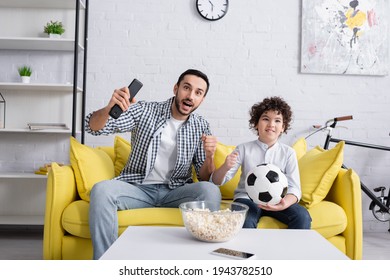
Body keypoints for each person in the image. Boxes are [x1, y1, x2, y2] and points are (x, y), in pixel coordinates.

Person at [85, 69, 221, 259]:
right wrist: (109, 109)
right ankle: (106, 265)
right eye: (186, 88)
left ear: (202, 99)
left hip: (176, 192)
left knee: (210, 191)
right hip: (138, 189)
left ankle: (201, 262)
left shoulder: (201, 125)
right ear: (176, 88)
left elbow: (205, 176)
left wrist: (209, 156)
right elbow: (93, 128)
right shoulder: (145, 111)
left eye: (198, 93)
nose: (190, 96)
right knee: (101, 190)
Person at [211, 96, 311, 229]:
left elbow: (295, 188)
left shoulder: (288, 153)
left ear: (283, 127)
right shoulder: (243, 149)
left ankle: (292, 250)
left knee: (302, 216)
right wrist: (225, 167)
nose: (271, 124)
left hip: (279, 200)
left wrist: (284, 203)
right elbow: (216, 181)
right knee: (244, 220)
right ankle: (246, 251)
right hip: (246, 200)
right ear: (256, 124)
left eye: (277, 120)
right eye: (265, 119)